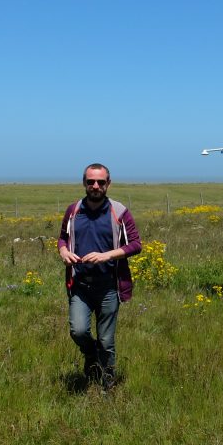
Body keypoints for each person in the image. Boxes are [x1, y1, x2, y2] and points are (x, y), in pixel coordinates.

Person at [57, 163, 141, 389]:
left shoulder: (119, 212)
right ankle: (91, 355)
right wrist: (63, 251)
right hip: (80, 286)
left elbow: (135, 245)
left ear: (108, 184)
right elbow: (63, 238)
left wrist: (107, 256)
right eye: (91, 181)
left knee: (106, 340)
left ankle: (107, 384)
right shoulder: (73, 211)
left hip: (108, 286)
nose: (95, 186)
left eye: (101, 182)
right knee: (78, 330)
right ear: (84, 183)